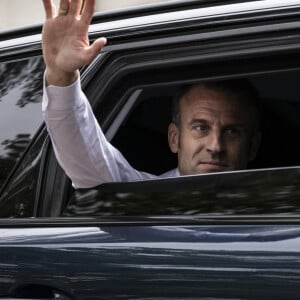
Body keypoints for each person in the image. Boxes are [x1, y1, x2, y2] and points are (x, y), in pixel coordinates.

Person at [42, 0, 262, 188]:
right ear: (175, 139)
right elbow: (90, 159)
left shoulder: (282, 211)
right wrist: (61, 76)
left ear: (252, 146)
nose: (216, 146)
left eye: (232, 132)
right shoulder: (143, 201)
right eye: (200, 128)